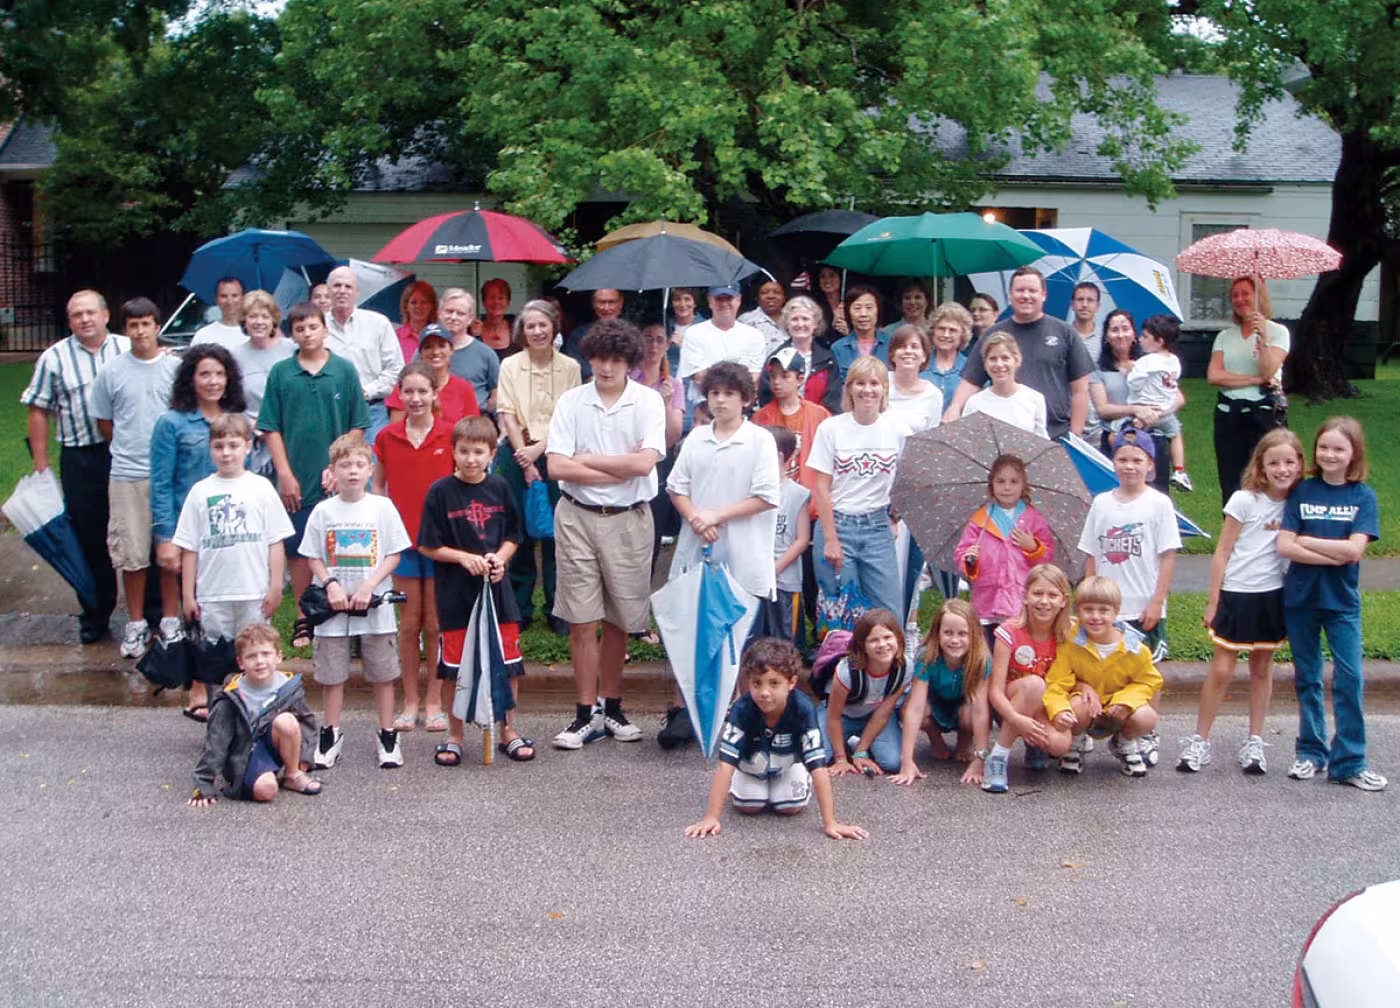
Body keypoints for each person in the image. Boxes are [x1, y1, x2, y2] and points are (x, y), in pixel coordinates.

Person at [546, 318, 666, 749]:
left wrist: (591, 461)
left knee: (620, 618)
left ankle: (612, 706)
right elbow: (556, 466)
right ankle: (584, 714)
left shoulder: (648, 401)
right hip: (576, 515)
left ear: (630, 362)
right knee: (582, 618)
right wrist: (616, 466)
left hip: (630, 517)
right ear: (590, 357)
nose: (608, 367)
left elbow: (644, 464)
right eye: (600, 358)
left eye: (617, 360)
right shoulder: (572, 401)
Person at [658, 362, 780, 748]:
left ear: (745, 398)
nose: (720, 400)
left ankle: (736, 713)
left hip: (743, 556)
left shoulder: (759, 440)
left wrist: (717, 515)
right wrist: (696, 517)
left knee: (736, 638)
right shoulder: (696, 438)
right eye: (714, 393)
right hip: (698, 549)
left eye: (729, 393)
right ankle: (685, 710)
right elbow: (676, 488)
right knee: (691, 632)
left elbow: (765, 497)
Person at [1179, 429, 1304, 775]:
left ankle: (1254, 741)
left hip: (1274, 595)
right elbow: (1222, 551)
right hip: (1237, 592)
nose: (1281, 469)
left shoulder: (1299, 501)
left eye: (1289, 462)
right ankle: (1199, 740)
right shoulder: (1244, 499)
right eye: (1273, 462)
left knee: (1262, 669)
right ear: (1260, 465)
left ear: (1299, 464)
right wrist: (1213, 600)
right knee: (1221, 669)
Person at [1277, 417, 1385, 790]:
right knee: (1307, 678)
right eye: (1324, 447)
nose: (1329, 454)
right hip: (1301, 600)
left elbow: (1355, 549)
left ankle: (1350, 762)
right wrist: (1336, 554)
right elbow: (1284, 545)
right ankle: (1310, 753)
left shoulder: (1362, 496)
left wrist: (1310, 543)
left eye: (1339, 448)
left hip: (1341, 602)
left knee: (1350, 679)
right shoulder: (1302, 491)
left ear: (1353, 453)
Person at [418, 415, 530, 765]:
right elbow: (427, 545)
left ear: (492, 453)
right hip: (456, 595)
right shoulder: (440, 492)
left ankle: (508, 730)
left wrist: (501, 557)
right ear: (452, 451)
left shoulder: (499, 488)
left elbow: (514, 535)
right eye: (463, 451)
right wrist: (463, 558)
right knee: (455, 666)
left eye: (478, 452)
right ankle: (455, 735)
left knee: (509, 662)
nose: (470, 459)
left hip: (498, 595)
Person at [257, 301, 370, 651]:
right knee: (300, 547)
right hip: (298, 473)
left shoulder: (344, 371)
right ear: (291, 333)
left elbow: (358, 425)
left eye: (313, 327)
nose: (307, 334)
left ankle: (347, 614)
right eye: (300, 329)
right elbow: (270, 428)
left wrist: (340, 466)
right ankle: (305, 615)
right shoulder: (280, 373)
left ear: (325, 329)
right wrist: (285, 473)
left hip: (338, 474)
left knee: (341, 544)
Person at [20, 289, 129, 643]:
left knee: (136, 530)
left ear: (105, 314)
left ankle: (153, 612)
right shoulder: (54, 358)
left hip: (126, 454)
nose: (84, 319)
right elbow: (38, 409)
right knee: (88, 537)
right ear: (70, 322)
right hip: (81, 458)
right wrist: (41, 464)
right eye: (76, 315)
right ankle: (96, 611)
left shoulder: (127, 350)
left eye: (90, 312)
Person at [300, 433, 410, 771]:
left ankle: (388, 733)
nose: (352, 471)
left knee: (382, 672)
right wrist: (331, 584)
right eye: (344, 465)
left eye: (359, 465)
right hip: (333, 609)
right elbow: (313, 557)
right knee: (332, 673)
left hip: (373, 605)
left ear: (370, 469)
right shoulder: (322, 511)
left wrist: (369, 585)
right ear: (332, 470)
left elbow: (393, 553)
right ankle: (331, 732)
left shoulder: (382, 507)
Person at [684, 637, 867, 840]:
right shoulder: (742, 709)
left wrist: (830, 822)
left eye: (774, 683)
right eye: (756, 683)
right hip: (751, 768)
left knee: (789, 806)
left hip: (786, 766)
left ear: (792, 682)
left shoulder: (803, 708)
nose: (764, 692)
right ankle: (742, 782)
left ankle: (797, 775)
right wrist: (712, 817)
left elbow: (818, 766)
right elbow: (725, 765)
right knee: (749, 805)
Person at [150, 344, 248, 714]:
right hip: (187, 532)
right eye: (204, 373)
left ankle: (234, 683)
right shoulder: (171, 423)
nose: (212, 381)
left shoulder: (237, 420)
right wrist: (165, 538)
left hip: (228, 532)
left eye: (219, 374)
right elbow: (160, 483)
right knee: (196, 611)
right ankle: (197, 685)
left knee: (222, 610)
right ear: (191, 378)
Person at [89, 298, 180, 658]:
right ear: (124, 329)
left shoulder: (175, 368)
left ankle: (170, 621)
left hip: (169, 476)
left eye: (147, 324)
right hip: (127, 475)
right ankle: (137, 623)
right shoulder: (112, 372)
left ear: (157, 326)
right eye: (133, 325)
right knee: (132, 555)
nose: (141, 331)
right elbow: (105, 422)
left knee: (170, 552)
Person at [373, 362, 457, 733]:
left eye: (424, 391)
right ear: (399, 394)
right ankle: (409, 701)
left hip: (441, 545)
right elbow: (378, 488)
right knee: (408, 625)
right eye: (409, 392)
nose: (416, 398)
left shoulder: (450, 435)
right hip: (403, 544)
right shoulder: (387, 437)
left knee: (436, 623)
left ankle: (436, 700)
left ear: (435, 394)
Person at [172, 413, 293, 660]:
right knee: (215, 657)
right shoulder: (200, 492)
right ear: (210, 449)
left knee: (255, 651)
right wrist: (188, 594)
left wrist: (276, 586)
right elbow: (190, 547)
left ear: (248, 447)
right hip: (213, 593)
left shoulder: (261, 488)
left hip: (253, 592)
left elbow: (275, 541)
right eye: (219, 446)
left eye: (233, 445)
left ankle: (255, 698)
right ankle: (219, 698)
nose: (226, 453)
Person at [496, 299, 582, 634]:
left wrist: (539, 452)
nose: (537, 331)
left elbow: (570, 416)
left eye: (542, 324)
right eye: (530, 326)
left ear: (553, 327)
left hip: (558, 453)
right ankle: (518, 606)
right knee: (517, 529)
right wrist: (525, 457)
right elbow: (507, 413)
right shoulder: (510, 366)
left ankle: (557, 606)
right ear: (522, 331)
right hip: (517, 454)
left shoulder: (571, 368)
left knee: (556, 532)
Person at [806, 357, 907, 619]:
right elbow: (821, 487)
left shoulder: (896, 429)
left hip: (877, 526)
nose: (867, 390)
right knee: (840, 612)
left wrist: (895, 516)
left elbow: (905, 481)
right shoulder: (832, 428)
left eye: (875, 383)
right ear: (849, 388)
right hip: (837, 523)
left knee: (888, 611)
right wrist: (830, 539)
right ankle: (841, 661)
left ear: (885, 388)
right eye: (860, 383)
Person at [945, 268, 1092, 439]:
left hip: (1055, 435)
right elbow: (971, 381)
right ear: (1010, 294)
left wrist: (1075, 435)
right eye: (1020, 290)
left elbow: (1080, 391)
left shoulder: (1065, 332)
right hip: (1001, 436)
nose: (1026, 296)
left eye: (1032, 290)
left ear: (1043, 294)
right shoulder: (993, 335)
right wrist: (955, 408)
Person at [1042, 575, 1164, 778]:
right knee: (1075, 708)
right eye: (1088, 609)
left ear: (1116, 612)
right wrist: (1059, 711)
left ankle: (1124, 742)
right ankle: (1076, 742)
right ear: (1077, 611)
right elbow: (1056, 682)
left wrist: (1125, 702)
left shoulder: (1135, 649)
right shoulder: (1070, 644)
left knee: (1147, 717)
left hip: (1118, 708)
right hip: (1084, 705)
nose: (1095, 617)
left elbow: (1148, 681)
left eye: (1103, 610)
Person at [187, 624, 321, 806]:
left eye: (266, 654)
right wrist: (204, 784)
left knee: (287, 721)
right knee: (266, 791)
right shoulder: (230, 696)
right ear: (240, 663)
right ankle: (257, 777)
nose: (260, 661)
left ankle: (292, 774)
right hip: (245, 755)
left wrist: (305, 756)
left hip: (274, 742)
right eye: (251, 656)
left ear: (278, 656)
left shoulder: (289, 687)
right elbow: (216, 740)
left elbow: (306, 722)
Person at [1079, 428, 1180, 665]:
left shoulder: (1159, 504)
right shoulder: (1101, 503)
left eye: (1137, 460)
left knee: (1147, 672)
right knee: (1106, 670)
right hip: (1105, 609)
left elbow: (1167, 557)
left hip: (1143, 607)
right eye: (1122, 459)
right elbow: (1092, 555)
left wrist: (1157, 602)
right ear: (1113, 463)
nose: (1129, 466)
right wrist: (1087, 600)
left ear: (1150, 464)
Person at [981, 563, 1073, 792]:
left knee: (1060, 745)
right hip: (1010, 704)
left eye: (1052, 595)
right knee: (1034, 684)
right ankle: (998, 757)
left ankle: (1035, 746)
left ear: (1063, 600)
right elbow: (995, 691)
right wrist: (1016, 718)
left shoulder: (1068, 632)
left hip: (1044, 704)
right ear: (1025, 597)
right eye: (1037, 593)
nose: (1044, 601)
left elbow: (1077, 672)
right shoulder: (1009, 632)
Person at [891, 598, 992, 787]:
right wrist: (906, 761)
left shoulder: (981, 659)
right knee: (909, 710)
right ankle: (934, 736)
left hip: (964, 705)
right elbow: (915, 708)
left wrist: (980, 759)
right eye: (948, 633)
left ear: (975, 635)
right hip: (934, 704)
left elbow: (981, 711)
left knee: (971, 715)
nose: (955, 640)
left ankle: (965, 738)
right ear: (938, 632)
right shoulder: (927, 656)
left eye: (963, 634)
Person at [1208, 276, 1291, 504]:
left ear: (1259, 297)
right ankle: (1234, 535)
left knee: (1266, 477)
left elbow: (1268, 370)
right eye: (1235, 295)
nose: (1240, 299)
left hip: (1263, 415)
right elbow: (1214, 375)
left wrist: (1263, 338)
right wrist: (1254, 379)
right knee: (1231, 480)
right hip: (1229, 416)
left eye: (1246, 293)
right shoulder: (1225, 336)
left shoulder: (1278, 332)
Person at [955, 454, 1054, 645]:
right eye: (1000, 481)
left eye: (1014, 481)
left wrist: (1033, 547)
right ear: (991, 484)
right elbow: (962, 553)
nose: (1006, 487)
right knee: (987, 649)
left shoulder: (1034, 519)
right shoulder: (980, 520)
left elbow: (1047, 560)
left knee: (1018, 648)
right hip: (987, 600)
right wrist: (969, 559)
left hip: (1020, 598)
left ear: (1023, 486)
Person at [822, 609, 911, 776]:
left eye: (887, 637)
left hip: (874, 715)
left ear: (898, 638)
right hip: (842, 716)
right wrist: (840, 759)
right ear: (863, 645)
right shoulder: (847, 671)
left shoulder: (905, 668)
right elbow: (833, 716)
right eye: (874, 640)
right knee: (818, 758)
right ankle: (846, 747)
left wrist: (861, 752)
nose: (882, 645)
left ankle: (860, 745)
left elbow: (884, 713)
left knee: (893, 762)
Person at [323, 265, 403, 444]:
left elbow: (395, 369)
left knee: (373, 467)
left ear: (357, 292)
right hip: (330, 412)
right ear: (328, 291)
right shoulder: (317, 326)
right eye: (337, 286)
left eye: (348, 286)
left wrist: (365, 392)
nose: (342, 291)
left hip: (371, 411)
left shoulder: (378, 323)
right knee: (332, 467)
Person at [631, 323, 684, 581]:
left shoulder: (673, 385)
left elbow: (672, 437)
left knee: (651, 528)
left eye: (659, 340)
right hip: (629, 458)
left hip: (658, 463)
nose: (653, 346)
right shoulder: (628, 379)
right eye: (648, 339)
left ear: (667, 346)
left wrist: (664, 404)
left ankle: (642, 590)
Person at [226, 290, 296, 477]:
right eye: (253, 316)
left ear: (274, 320)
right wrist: (251, 424)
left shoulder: (292, 350)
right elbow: (231, 400)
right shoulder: (234, 357)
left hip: (291, 436)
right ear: (244, 321)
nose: (259, 322)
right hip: (254, 440)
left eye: (265, 316)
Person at [1124, 313, 1193, 492]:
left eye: (1145, 336)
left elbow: (1135, 382)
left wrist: (1130, 373)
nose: (1140, 339)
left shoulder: (1146, 361)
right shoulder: (1173, 361)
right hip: (1166, 411)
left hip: (1146, 410)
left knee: (1132, 436)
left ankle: (1141, 471)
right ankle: (1179, 470)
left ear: (1159, 341)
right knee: (1175, 434)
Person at [677, 284, 766, 416]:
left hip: (741, 411)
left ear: (738, 300)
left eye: (729, 298)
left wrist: (728, 396)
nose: (724, 303)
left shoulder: (755, 336)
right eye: (719, 298)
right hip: (704, 410)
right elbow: (699, 375)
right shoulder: (694, 333)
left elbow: (754, 377)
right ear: (710, 300)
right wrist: (735, 386)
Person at [767, 426, 811, 650]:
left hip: (784, 581)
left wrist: (774, 569)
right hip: (752, 580)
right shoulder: (750, 492)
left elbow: (802, 539)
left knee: (785, 641)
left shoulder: (797, 494)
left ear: (779, 456)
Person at [758, 295, 842, 414]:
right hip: (782, 425)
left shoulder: (828, 359)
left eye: (805, 319)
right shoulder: (775, 358)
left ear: (815, 324)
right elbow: (766, 396)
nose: (800, 324)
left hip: (819, 425)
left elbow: (833, 398)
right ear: (787, 324)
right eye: (795, 319)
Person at [385, 324, 480, 425]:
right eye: (428, 347)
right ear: (420, 353)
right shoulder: (406, 386)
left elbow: (471, 429)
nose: (435, 352)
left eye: (441, 346)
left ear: (452, 350)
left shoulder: (464, 387)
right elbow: (395, 429)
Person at [961, 331, 1049, 438]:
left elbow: (1041, 441)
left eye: (1005, 358)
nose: (999, 364)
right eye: (993, 359)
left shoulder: (1035, 399)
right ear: (985, 364)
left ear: (1016, 360)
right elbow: (967, 440)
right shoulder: (974, 403)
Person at [440, 288, 500, 413]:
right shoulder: (426, 351)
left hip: (474, 426)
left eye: (460, 313)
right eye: (449, 311)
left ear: (470, 318)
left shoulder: (486, 354)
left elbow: (496, 396)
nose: (453, 317)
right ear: (440, 313)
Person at [886, 324, 944, 434]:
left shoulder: (933, 395)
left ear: (924, 356)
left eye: (914, 346)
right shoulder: (878, 383)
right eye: (902, 346)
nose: (908, 351)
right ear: (892, 355)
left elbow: (930, 439)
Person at [829, 284, 888, 385]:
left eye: (869, 307)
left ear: (878, 311)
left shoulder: (892, 344)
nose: (863, 313)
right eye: (857, 308)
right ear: (848, 312)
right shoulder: (838, 348)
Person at [564, 288, 625, 379]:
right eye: (601, 302)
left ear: (620, 303)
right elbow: (575, 362)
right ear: (593, 304)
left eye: (611, 302)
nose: (606, 307)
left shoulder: (631, 334)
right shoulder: (580, 334)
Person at [925, 302, 971, 408]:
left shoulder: (971, 369)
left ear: (962, 335)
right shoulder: (919, 365)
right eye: (941, 329)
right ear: (933, 331)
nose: (946, 335)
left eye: (952, 330)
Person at [738, 279, 788, 359]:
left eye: (777, 292)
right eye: (765, 292)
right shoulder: (746, 320)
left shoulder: (793, 319)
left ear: (784, 297)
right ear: (757, 297)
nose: (771, 296)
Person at [194, 276, 246, 349]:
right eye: (224, 296)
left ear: (243, 297)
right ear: (216, 299)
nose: (229, 301)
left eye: (234, 295)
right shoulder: (203, 335)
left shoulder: (255, 333)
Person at [395, 280, 438, 365]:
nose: (418, 306)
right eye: (413, 302)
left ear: (432, 306)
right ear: (406, 306)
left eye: (424, 302)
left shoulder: (439, 336)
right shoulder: (396, 337)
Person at [472, 277, 516, 359]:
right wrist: (476, 336)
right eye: (491, 297)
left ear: (508, 302)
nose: (496, 302)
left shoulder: (517, 330)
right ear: (483, 302)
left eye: (501, 298)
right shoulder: (472, 330)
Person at [664, 287, 704, 376]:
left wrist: (684, 347)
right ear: (671, 303)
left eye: (687, 299)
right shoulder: (663, 326)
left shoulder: (705, 328)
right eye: (677, 299)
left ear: (695, 303)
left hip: (693, 384)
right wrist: (663, 347)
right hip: (667, 383)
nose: (682, 304)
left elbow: (709, 359)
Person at [1070, 282, 1102, 364]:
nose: (1084, 305)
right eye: (1080, 299)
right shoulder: (1063, 335)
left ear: (1098, 306)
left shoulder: (1105, 339)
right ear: (1072, 305)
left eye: (1090, 300)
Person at [815, 264, 849, 341]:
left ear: (840, 278)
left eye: (832, 275)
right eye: (822, 277)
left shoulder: (851, 302)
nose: (827, 280)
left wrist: (849, 332)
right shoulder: (815, 305)